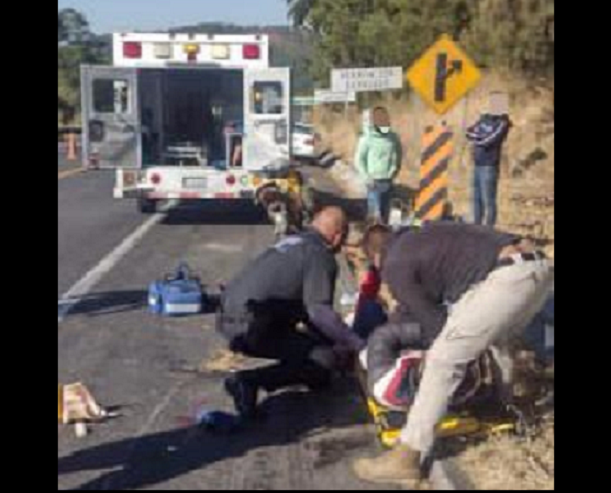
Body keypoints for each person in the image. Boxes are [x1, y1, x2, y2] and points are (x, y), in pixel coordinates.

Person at [353, 221, 553, 486]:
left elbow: (434, 323)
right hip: (538, 266)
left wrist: (417, 347)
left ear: (376, 258)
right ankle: (500, 405)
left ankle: (407, 455)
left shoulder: (395, 264)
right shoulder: (424, 236)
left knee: (442, 360)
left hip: (507, 275)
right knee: (497, 338)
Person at [217, 207, 365, 419]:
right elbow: (318, 312)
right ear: (338, 236)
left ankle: (305, 373)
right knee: (323, 359)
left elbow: (305, 311)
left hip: (230, 320)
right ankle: (248, 380)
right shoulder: (319, 255)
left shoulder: (293, 242)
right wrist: (356, 344)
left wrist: (331, 338)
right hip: (251, 326)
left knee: (319, 359)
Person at [466, 92, 512, 227]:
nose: (494, 106)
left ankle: (489, 228)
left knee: (489, 200)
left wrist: (477, 137)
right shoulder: (484, 118)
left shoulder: (503, 123)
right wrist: (478, 136)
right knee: (476, 199)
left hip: (489, 166)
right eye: (493, 102)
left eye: (498, 103)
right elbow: (468, 132)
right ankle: (476, 226)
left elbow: (488, 141)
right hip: (477, 164)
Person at [355, 107, 403, 224]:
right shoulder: (367, 139)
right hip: (373, 182)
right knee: (374, 213)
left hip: (388, 180)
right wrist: (366, 177)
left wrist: (395, 170)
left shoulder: (393, 137)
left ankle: (387, 236)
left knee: (387, 211)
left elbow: (399, 154)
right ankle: (372, 236)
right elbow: (359, 160)